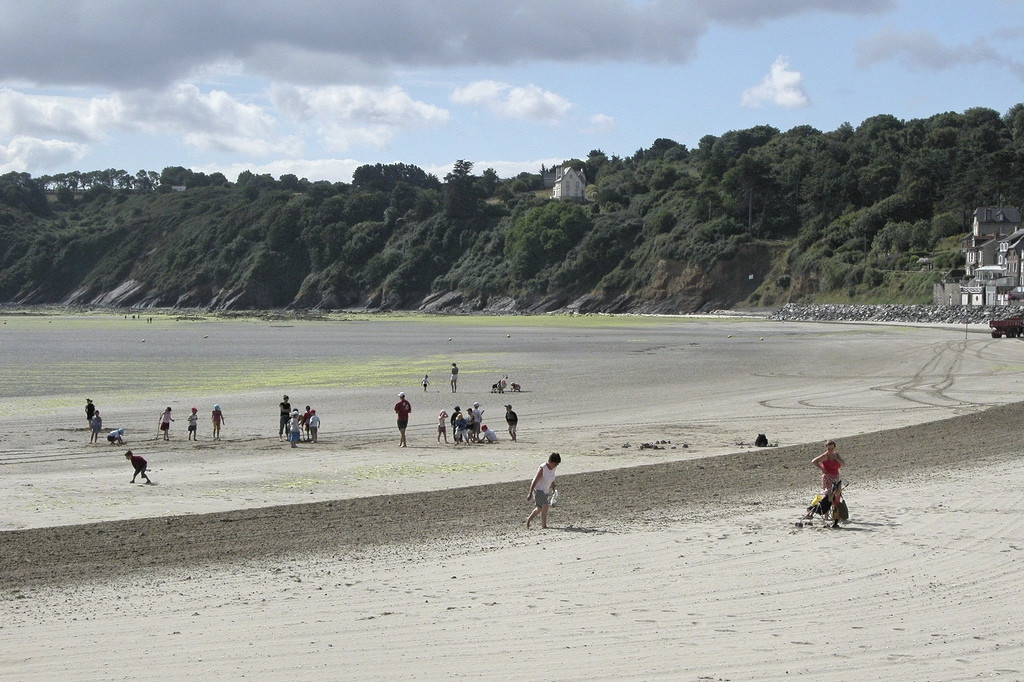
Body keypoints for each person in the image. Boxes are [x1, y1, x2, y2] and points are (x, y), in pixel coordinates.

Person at [809, 440, 845, 526]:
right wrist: (822, 468)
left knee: (836, 496)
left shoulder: (836, 455)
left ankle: (835, 515)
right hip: (827, 477)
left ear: (834, 448)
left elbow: (843, 464)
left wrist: (836, 458)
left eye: (832, 448)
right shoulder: (825, 456)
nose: (830, 450)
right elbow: (814, 461)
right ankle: (825, 515)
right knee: (828, 495)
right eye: (828, 448)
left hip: (836, 477)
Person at [526, 452, 561, 529]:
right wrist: (530, 493)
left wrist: (553, 489)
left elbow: (552, 479)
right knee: (545, 505)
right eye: (555, 464)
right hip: (538, 489)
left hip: (545, 490)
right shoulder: (542, 468)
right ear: (551, 461)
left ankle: (528, 519)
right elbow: (535, 481)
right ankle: (544, 525)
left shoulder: (553, 468)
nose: (556, 466)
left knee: (539, 508)